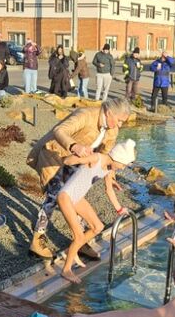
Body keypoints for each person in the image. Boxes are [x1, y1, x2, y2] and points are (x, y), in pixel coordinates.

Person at [26, 98, 131, 259]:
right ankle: (37, 239)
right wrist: (74, 146)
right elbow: (60, 130)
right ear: (109, 113)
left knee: (75, 197)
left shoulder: (112, 129)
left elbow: (108, 156)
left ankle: (80, 240)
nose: (120, 125)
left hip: (76, 163)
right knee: (53, 197)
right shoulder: (86, 115)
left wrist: (111, 176)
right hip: (54, 156)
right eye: (119, 120)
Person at [57, 139, 137, 283]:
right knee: (79, 236)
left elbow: (109, 190)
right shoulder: (97, 158)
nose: (122, 168)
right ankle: (66, 270)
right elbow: (67, 161)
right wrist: (82, 156)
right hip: (66, 197)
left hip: (77, 198)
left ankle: (72, 250)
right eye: (123, 165)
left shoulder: (108, 168)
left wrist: (119, 209)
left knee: (98, 226)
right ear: (117, 158)